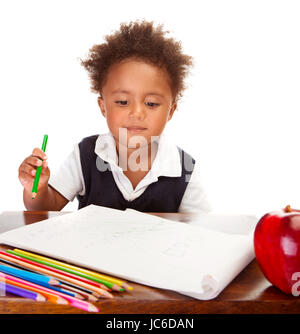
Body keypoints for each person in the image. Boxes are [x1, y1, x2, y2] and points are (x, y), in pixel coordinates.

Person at [18, 20, 211, 213]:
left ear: (171, 111)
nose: (136, 113)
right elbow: (44, 207)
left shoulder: (184, 168)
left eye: (151, 103)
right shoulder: (86, 154)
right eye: (122, 102)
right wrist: (37, 188)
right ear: (103, 107)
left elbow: (203, 230)